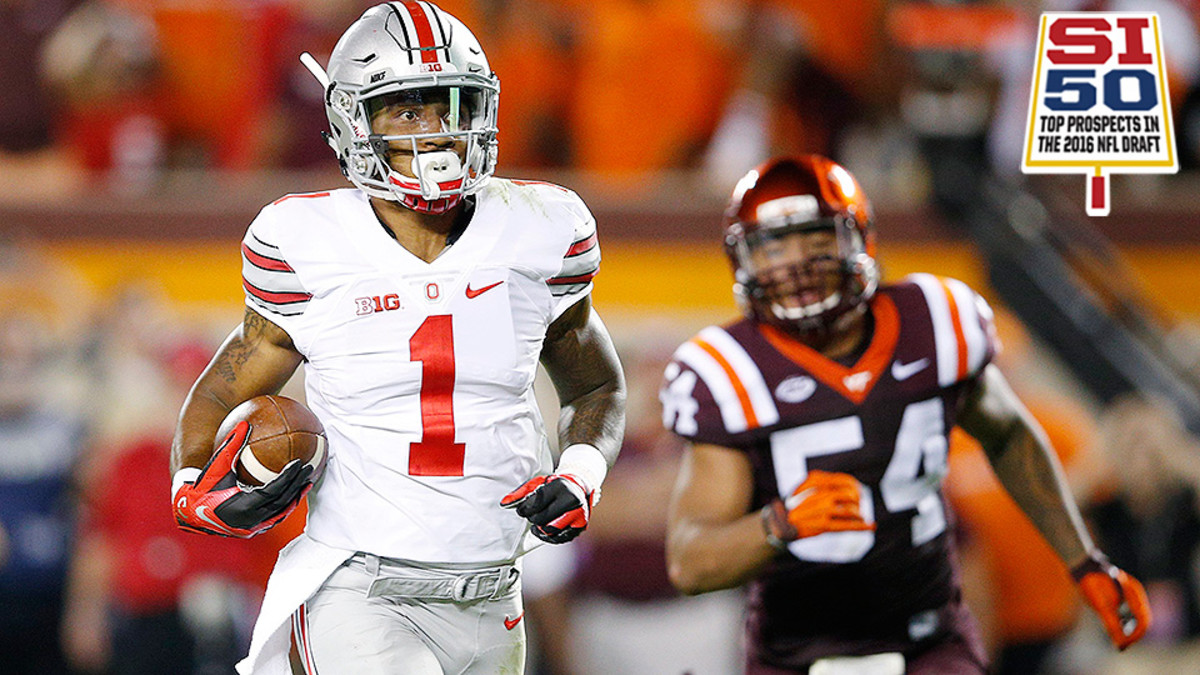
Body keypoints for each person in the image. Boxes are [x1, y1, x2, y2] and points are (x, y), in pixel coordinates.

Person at [168, 4, 626, 674]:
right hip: (359, 587)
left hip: (495, 592)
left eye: (452, 107)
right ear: (353, 120)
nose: (437, 133)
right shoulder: (306, 241)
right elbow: (229, 377)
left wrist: (581, 473)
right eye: (408, 111)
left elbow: (597, 384)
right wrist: (191, 485)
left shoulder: (541, 227)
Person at [659, 155, 1150, 674]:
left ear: (859, 241)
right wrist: (777, 524)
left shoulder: (932, 322)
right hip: (794, 652)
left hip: (928, 638)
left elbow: (1007, 436)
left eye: (816, 239)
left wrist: (1083, 560)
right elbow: (689, 561)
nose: (796, 265)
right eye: (773, 246)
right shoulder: (728, 371)